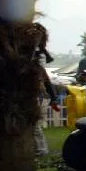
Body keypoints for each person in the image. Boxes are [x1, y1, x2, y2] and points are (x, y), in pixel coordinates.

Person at [32, 24, 60, 157]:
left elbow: (46, 80)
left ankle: (41, 150)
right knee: (34, 125)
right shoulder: (39, 52)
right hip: (41, 93)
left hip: (40, 95)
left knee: (35, 124)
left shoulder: (38, 55)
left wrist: (53, 98)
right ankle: (39, 149)